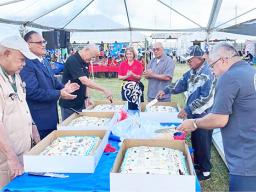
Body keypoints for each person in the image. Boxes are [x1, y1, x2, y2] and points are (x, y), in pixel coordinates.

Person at [178, 43, 256, 191]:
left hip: (245, 157)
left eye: (212, 65)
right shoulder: (249, 70)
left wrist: (194, 122)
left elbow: (219, 119)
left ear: (224, 60)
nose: (212, 72)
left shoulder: (229, 77)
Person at [158, 45, 216, 181]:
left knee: (203, 142)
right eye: (187, 60)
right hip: (193, 115)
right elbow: (180, 84)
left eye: (190, 59)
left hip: (205, 115)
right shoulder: (192, 72)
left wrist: (188, 109)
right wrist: (166, 90)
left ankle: (206, 171)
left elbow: (205, 98)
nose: (188, 62)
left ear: (200, 58)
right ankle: (198, 165)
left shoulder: (208, 74)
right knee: (196, 140)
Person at [20, 31, 79, 139]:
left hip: (51, 116)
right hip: (39, 121)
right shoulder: (26, 64)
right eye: (39, 42)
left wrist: (64, 88)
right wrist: (59, 93)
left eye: (44, 41)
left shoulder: (44, 61)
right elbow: (32, 92)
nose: (43, 44)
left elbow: (53, 81)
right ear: (28, 44)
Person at [0, 35, 41, 188]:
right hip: (6, 158)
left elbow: (23, 106)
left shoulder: (15, 75)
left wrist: (34, 129)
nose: (24, 64)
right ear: (6, 54)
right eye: (21, 59)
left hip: (22, 151)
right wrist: (11, 157)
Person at [59, 44, 113, 120]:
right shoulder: (72, 60)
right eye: (92, 56)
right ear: (86, 50)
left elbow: (87, 81)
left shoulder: (85, 61)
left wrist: (88, 97)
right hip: (69, 105)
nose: (92, 59)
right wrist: (104, 90)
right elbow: (84, 81)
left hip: (81, 103)